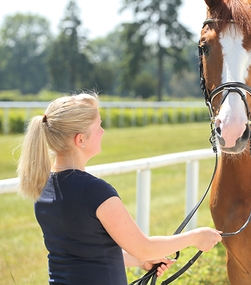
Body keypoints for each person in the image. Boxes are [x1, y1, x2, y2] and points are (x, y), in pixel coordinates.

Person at [17, 93, 222, 285]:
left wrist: (138, 261)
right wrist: (196, 237)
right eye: (98, 126)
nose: (102, 131)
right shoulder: (95, 192)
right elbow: (144, 247)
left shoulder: (44, 188)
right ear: (80, 139)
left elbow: (83, 252)